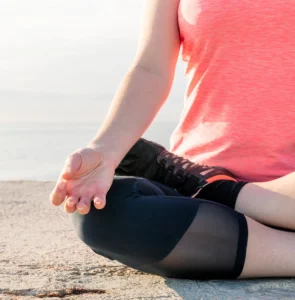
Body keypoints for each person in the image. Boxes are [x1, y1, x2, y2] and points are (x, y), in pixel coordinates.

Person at [50, 0, 295, 279]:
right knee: (100, 210)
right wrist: (104, 150)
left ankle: (216, 189)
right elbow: (150, 69)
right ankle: (215, 191)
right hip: (200, 207)